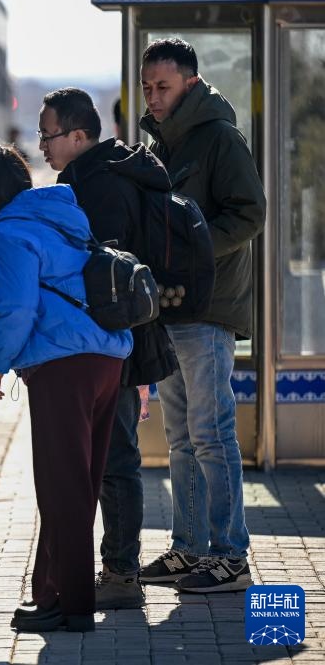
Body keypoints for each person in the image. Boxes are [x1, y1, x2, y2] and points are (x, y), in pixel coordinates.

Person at [0, 144, 133, 632]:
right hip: (105, 359)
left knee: (61, 487)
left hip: (63, 368)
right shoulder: (59, 217)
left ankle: (73, 605)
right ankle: (51, 593)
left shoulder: (7, 232)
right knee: (77, 484)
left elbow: (19, 309)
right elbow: (44, 293)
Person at [39, 87, 178, 610]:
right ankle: (116, 569)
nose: (42, 146)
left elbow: (104, 272)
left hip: (114, 340)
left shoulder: (98, 185)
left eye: (48, 135)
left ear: (78, 136)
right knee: (111, 455)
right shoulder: (97, 174)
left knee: (116, 458)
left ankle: (120, 573)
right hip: (116, 339)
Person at [137, 38, 265, 593]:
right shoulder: (160, 146)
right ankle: (188, 549)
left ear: (190, 84)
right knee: (181, 438)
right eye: (147, 87)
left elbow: (250, 213)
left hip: (209, 308)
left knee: (211, 434)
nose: (153, 97)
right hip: (171, 309)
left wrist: (192, 249)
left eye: (163, 87)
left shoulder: (220, 139)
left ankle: (230, 556)